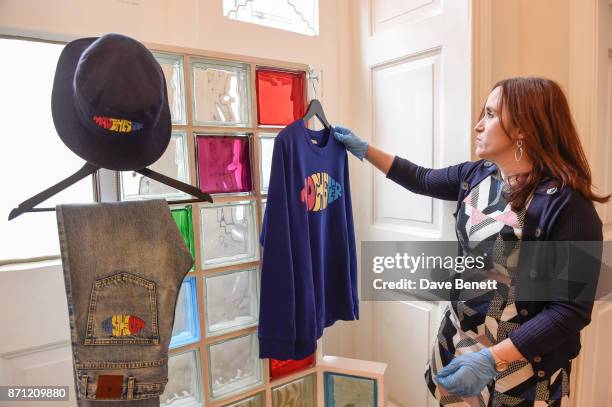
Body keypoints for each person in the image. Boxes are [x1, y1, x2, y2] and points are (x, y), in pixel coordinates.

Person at [333, 77, 607, 406]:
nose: (478, 125)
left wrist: (492, 360)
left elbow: (569, 312)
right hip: (459, 339)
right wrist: (364, 150)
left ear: (522, 127)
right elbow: (421, 178)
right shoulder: (477, 175)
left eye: (490, 115)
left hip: (521, 363)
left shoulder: (568, 207)